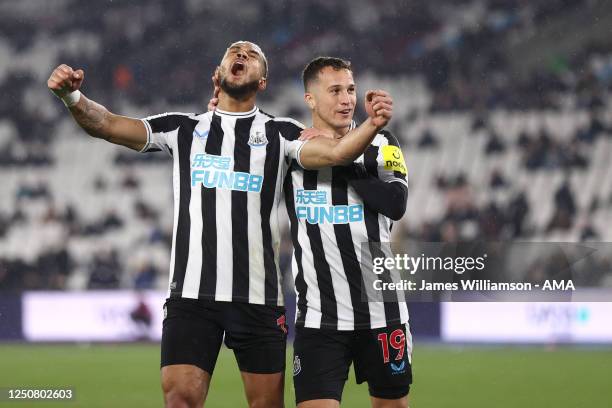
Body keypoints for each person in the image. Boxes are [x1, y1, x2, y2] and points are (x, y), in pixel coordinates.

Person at [47, 41, 393, 408]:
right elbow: (107, 124)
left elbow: (339, 152)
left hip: (258, 299)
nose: (241, 55)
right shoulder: (182, 129)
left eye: (252, 54)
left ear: (263, 81)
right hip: (192, 298)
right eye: (234, 52)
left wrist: (373, 124)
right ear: (218, 75)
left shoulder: (282, 133)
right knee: (180, 399)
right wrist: (73, 98)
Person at [288, 57, 411, 408]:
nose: (346, 99)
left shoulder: (383, 142)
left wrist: (342, 160)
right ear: (310, 99)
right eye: (335, 90)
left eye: (351, 90)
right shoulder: (292, 147)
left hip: (382, 312)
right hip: (319, 318)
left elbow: (396, 203)